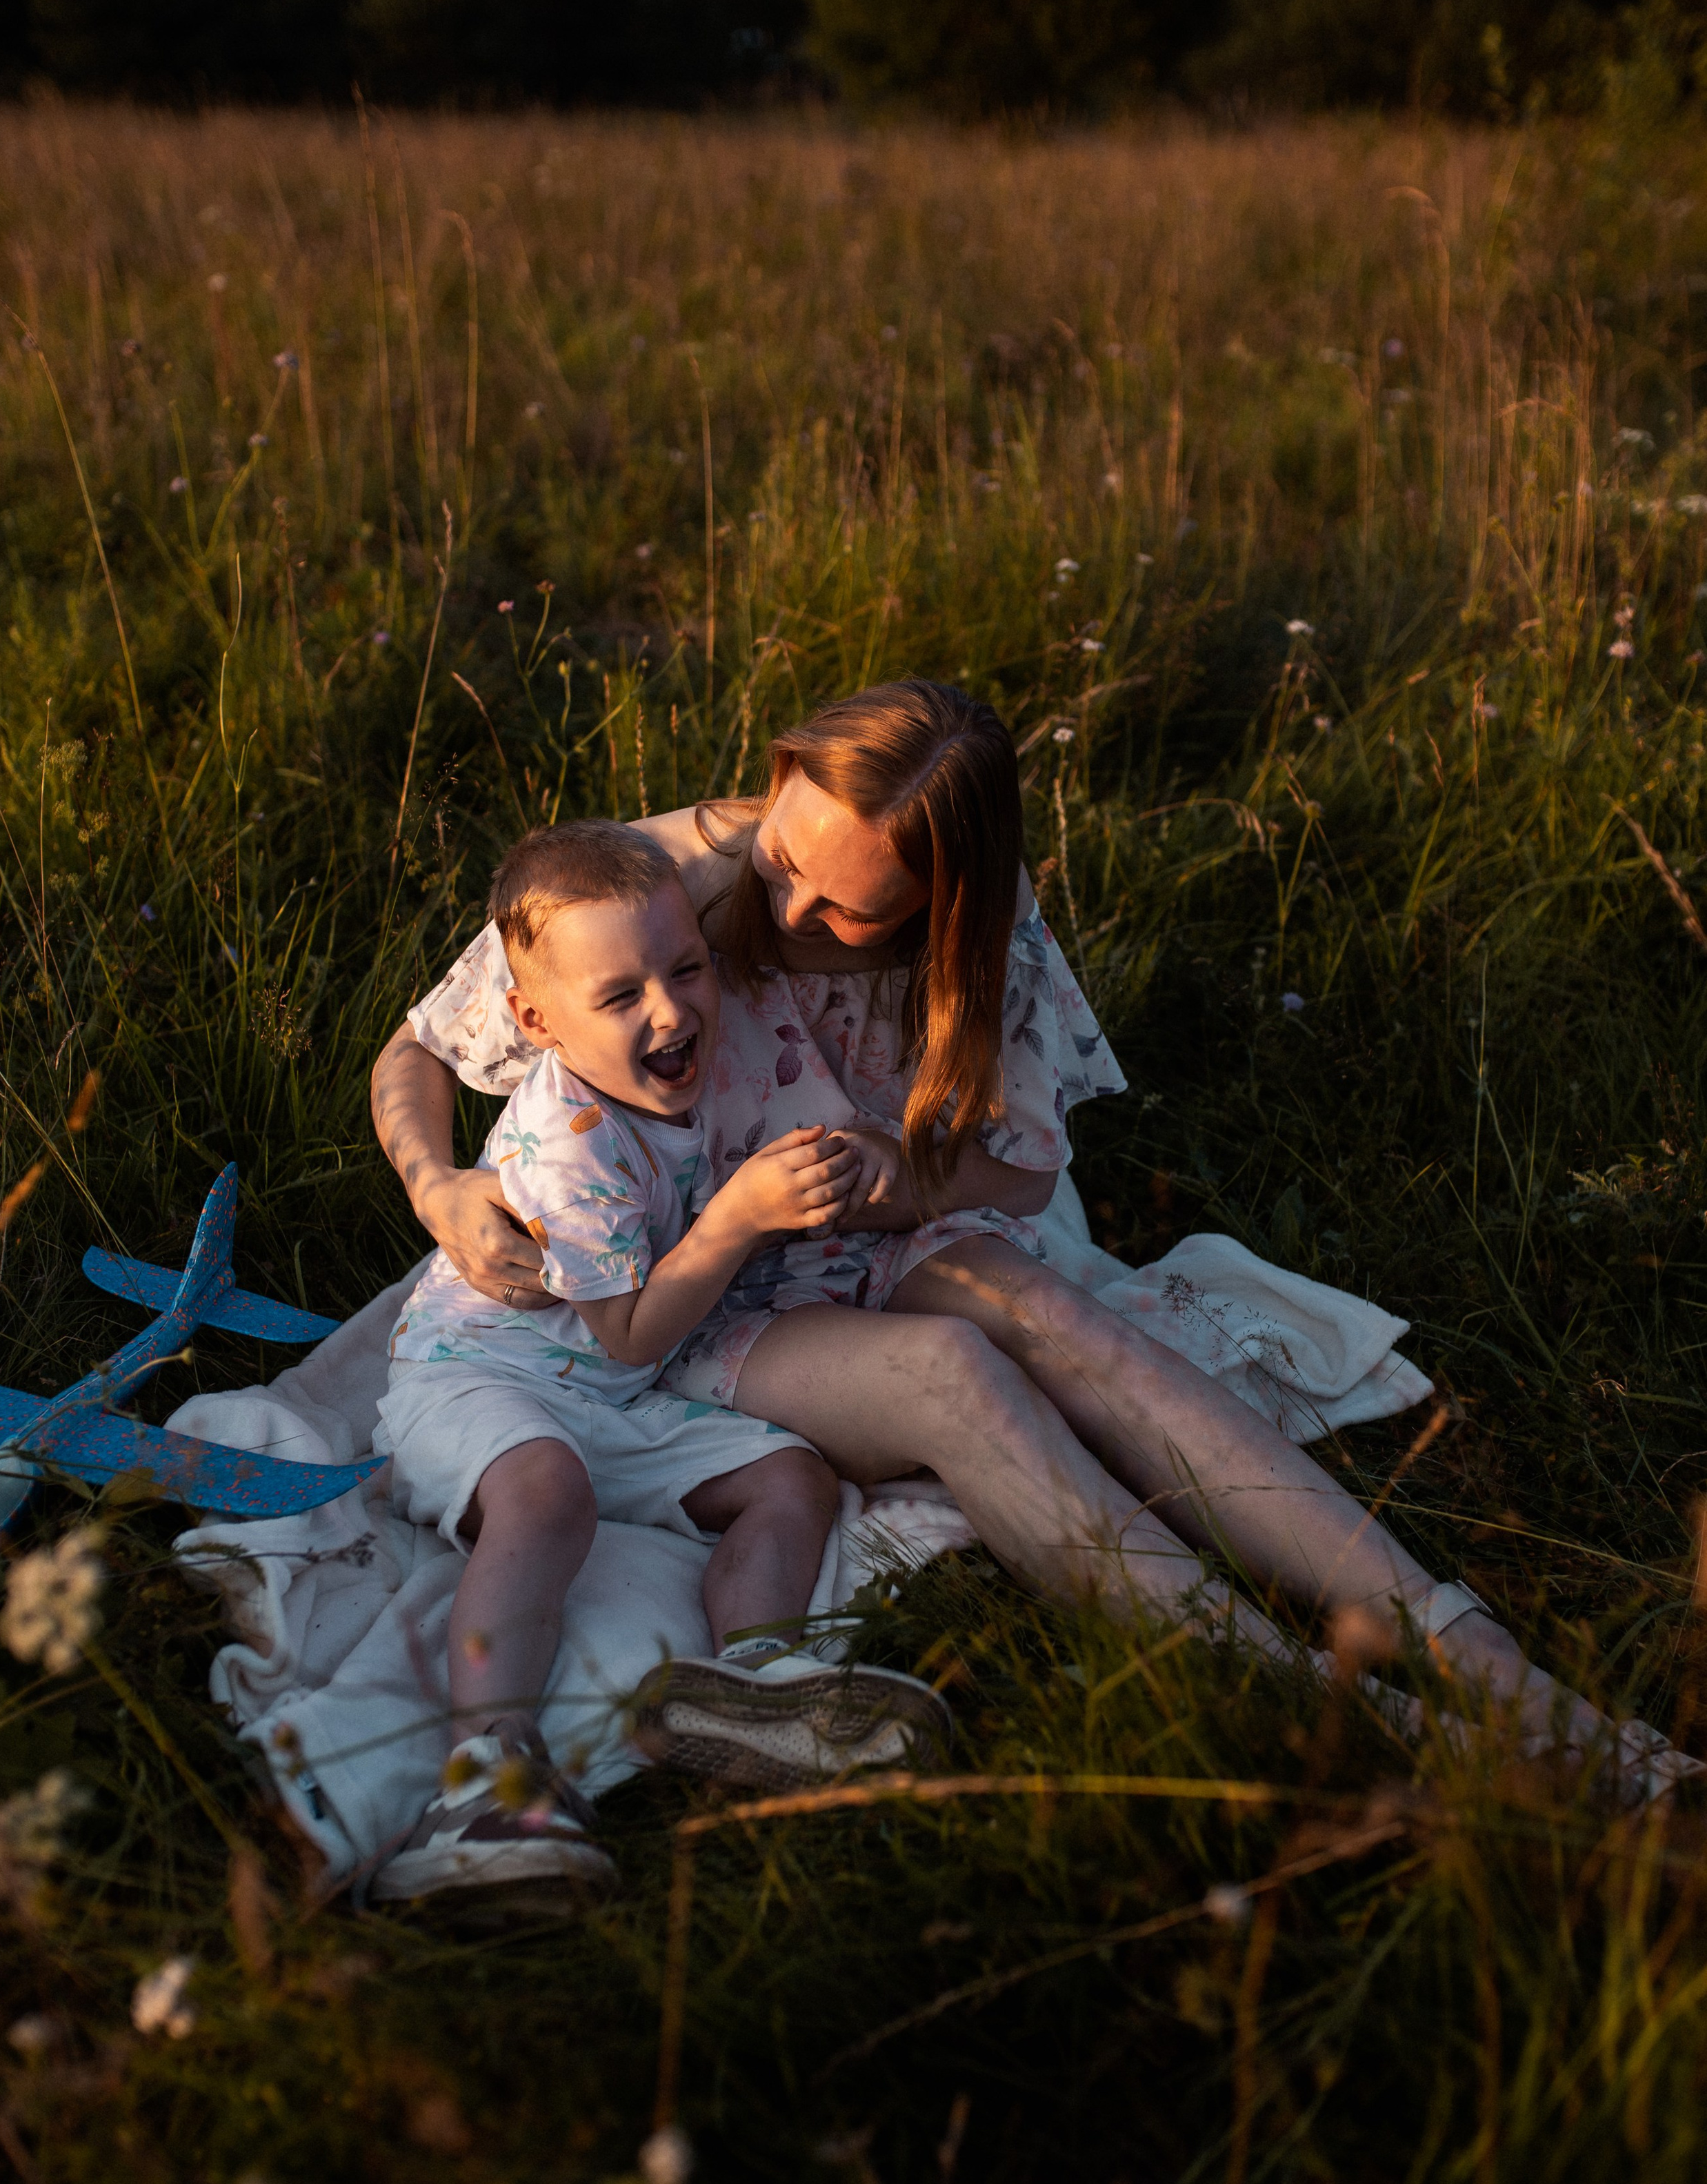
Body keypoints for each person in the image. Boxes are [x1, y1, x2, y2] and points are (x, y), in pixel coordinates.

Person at [373, 683, 1696, 1800]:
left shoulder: (983, 932)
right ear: (775, 791)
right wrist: (438, 1186)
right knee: (958, 1374)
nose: (786, 921)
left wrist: (896, 1180)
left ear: (942, 906)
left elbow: (1014, 1171)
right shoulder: (657, 889)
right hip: (685, 1291)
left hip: (857, 1240)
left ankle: (1484, 1665)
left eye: (849, 916)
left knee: (1058, 1318)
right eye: (784, 865)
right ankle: (1329, 1705)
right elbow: (419, 1054)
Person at [371, 820, 950, 1906]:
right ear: (536, 1023)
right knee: (547, 1495)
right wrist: (737, 1220)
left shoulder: (676, 1067)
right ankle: (484, 1775)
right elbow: (632, 1327)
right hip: (489, 1375)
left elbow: (638, 1354)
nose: (673, 1011)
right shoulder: (568, 1139)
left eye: (686, 970)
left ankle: (757, 1681)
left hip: (625, 1388)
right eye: (622, 996)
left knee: (792, 1479)